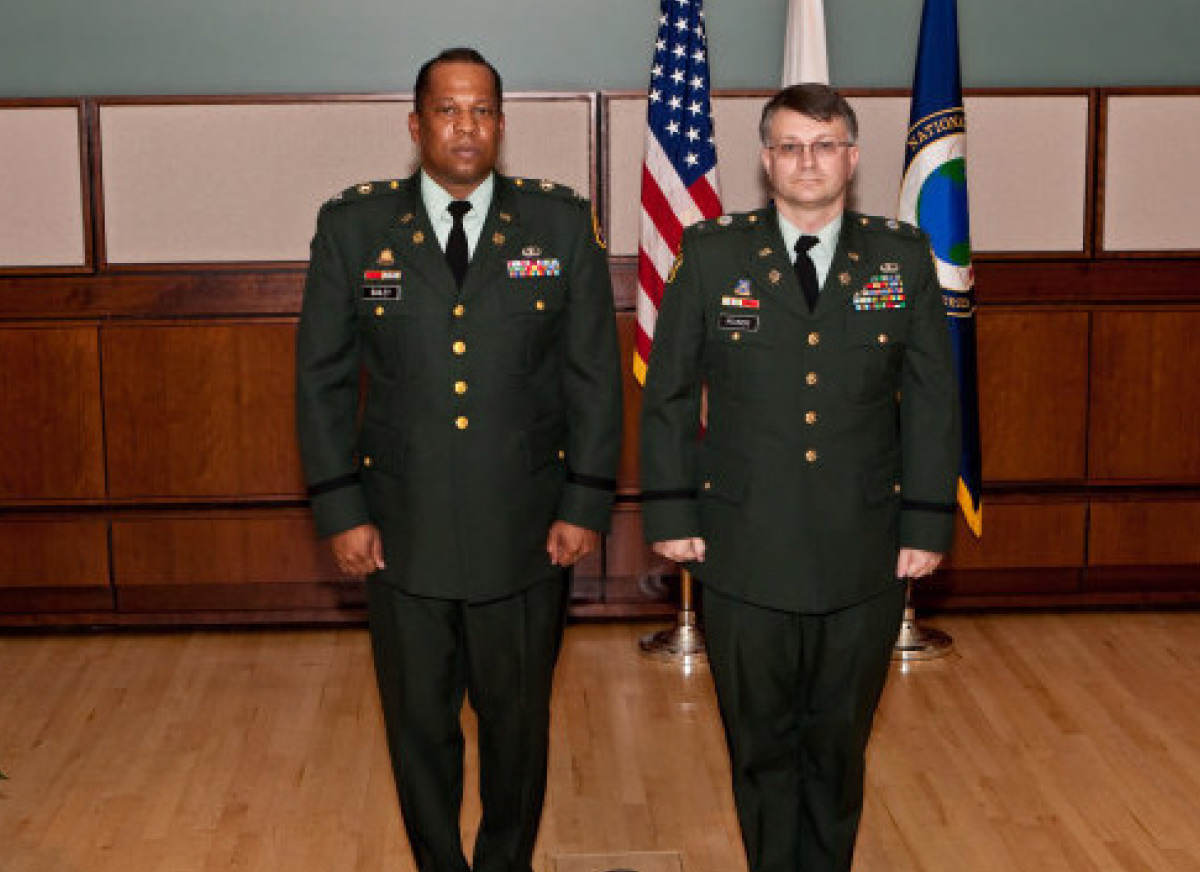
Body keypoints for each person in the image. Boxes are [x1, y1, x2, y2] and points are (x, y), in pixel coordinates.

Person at [295, 47, 622, 872]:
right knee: (418, 728)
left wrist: (584, 504)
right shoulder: (355, 228)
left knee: (518, 730)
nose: (464, 126)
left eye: (481, 111)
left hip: (525, 534)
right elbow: (323, 383)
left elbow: (592, 376)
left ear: (502, 127)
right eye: (447, 110)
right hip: (398, 535)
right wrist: (342, 510)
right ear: (415, 125)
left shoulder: (557, 224)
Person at [639, 83, 960, 872]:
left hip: (865, 549)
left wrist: (924, 522)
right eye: (789, 146)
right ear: (765, 161)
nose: (806, 161)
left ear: (852, 156)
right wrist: (672, 511)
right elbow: (669, 392)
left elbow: (929, 399)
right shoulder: (712, 254)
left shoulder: (901, 255)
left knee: (838, 744)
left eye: (823, 145)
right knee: (759, 746)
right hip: (743, 546)